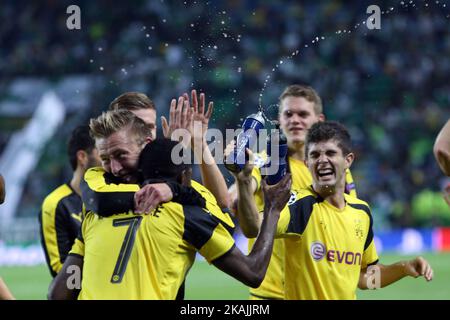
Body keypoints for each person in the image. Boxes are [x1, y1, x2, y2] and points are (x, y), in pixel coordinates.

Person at [48, 135, 292, 299]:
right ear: (184, 176)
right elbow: (253, 272)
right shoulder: (187, 216)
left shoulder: (96, 215)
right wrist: (272, 210)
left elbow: (58, 294)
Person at [237, 121, 434, 299]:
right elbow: (254, 227)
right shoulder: (300, 206)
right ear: (307, 164)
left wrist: (404, 268)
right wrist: (243, 182)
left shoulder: (361, 212)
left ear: (348, 160)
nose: (322, 160)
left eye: (330, 153)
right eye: (314, 155)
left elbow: (365, 279)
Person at [227, 84, 357, 300]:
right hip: (271, 295)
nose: (294, 120)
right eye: (288, 114)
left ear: (319, 120)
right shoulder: (266, 161)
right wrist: (239, 186)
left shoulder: (336, 170)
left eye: (303, 114)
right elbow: (246, 184)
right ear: (279, 119)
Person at [109, 90, 230, 208]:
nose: (145, 134)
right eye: (136, 127)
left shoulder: (159, 168)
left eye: (149, 127)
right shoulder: (106, 175)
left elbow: (220, 203)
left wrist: (199, 142)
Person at [38, 125, 101, 277]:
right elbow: (61, 270)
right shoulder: (56, 204)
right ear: (82, 157)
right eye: (102, 151)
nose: (109, 158)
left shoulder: (118, 195)